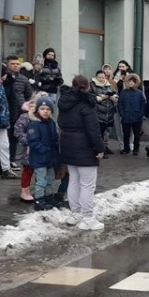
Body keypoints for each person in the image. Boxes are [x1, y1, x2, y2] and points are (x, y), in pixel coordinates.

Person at [57, 75, 105, 230]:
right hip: (84, 147)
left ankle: (75, 214)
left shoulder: (65, 102)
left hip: (67, 145)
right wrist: (99, 148)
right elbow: (93, 129)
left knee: (74, 181)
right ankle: (88, 218)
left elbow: (60, 122)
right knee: (87, 185)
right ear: (87, 87)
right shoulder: (86, 104)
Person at [26, 96, 59, 211]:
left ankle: (48, 197)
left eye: (48, 109)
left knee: (50, 178)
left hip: (50, 158)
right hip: (39, 157)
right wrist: (44, 149)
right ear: (37, 110)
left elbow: (55, 139)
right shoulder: (34, 124)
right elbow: (33, 141)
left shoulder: (51, 123)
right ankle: (39, 199)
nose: (45, 111)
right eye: (42, 108)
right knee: (41, 180)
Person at [13, 98, 37, 203]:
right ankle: (25, 190)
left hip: (42, 149)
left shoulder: (44, 117)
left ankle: (39, 190)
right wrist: (28, 141)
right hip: (29, 149)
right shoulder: (25, 117)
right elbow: (18, 131)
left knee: (41, 171)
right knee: (28, 170)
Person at [117, 73, 145, 155]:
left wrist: (140, 114)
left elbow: (142, 103)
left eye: (133, 82)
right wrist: (122, 113)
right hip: (126, 116)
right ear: (127, 83)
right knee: (126, 134)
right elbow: (120, 104)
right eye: (130, 82)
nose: (131, 83)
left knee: (136, 134)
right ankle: (126, 148)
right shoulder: (123, 93)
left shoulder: (139, 93)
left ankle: (136, 149)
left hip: (137, 117)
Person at [91, 70, 117, 153]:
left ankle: (105, 147)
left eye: (103, 77)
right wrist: (102, 97)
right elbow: (92, 97)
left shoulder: (109, 85)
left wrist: (113, 97)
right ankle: (100, 149)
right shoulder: (92, 85)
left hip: (108, 111)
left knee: (106, 131)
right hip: (98, 111)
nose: (101, 79)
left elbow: (115, 94)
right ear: (96, 77)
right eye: (99, 77)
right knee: (99, 132)